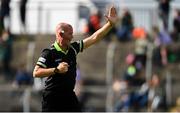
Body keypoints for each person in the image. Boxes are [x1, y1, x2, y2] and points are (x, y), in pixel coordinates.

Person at [33, 6, 118, 112]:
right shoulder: (49, 52)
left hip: (69, 96)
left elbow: (94, 37)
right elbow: (36, 72)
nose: (72, 37)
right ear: (60, 34)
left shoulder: (73, 48)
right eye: (70, 34)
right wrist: (56, 70)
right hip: (52, 98)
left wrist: (109, 25)